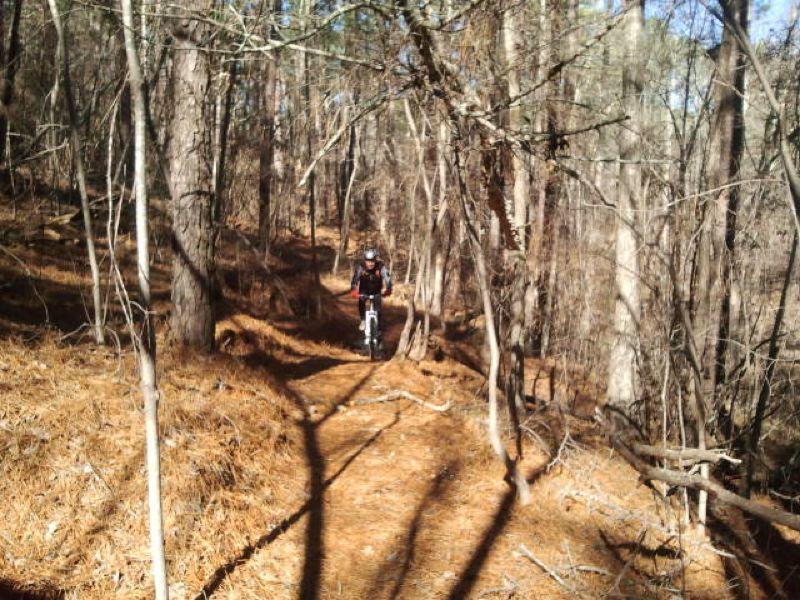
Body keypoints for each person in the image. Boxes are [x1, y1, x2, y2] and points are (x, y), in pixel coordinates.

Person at [349, 249, 392, 341]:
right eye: (368, 261)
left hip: (376, 291)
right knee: (361, 302)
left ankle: (379, 329)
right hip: (364, 290)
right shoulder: (361, 267)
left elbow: (387, 278)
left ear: (375, 260)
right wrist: (353, 290)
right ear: (365, 261)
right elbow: (355, 279)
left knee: (378, 310)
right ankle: (363, 320)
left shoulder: (381, 266)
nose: (370, 264)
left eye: (372, 261)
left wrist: (389, 289)